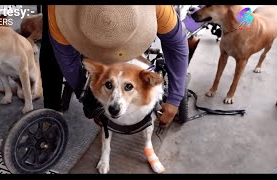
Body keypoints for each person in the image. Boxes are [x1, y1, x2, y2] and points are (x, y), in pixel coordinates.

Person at [42, 5, 189, 127]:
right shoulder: (57, 12)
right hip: (71, 20)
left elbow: (177, 46)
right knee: (51, 53)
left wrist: (175, 97)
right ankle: (52, 111)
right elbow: (66, 58)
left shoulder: (159, 8)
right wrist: (87, 95)